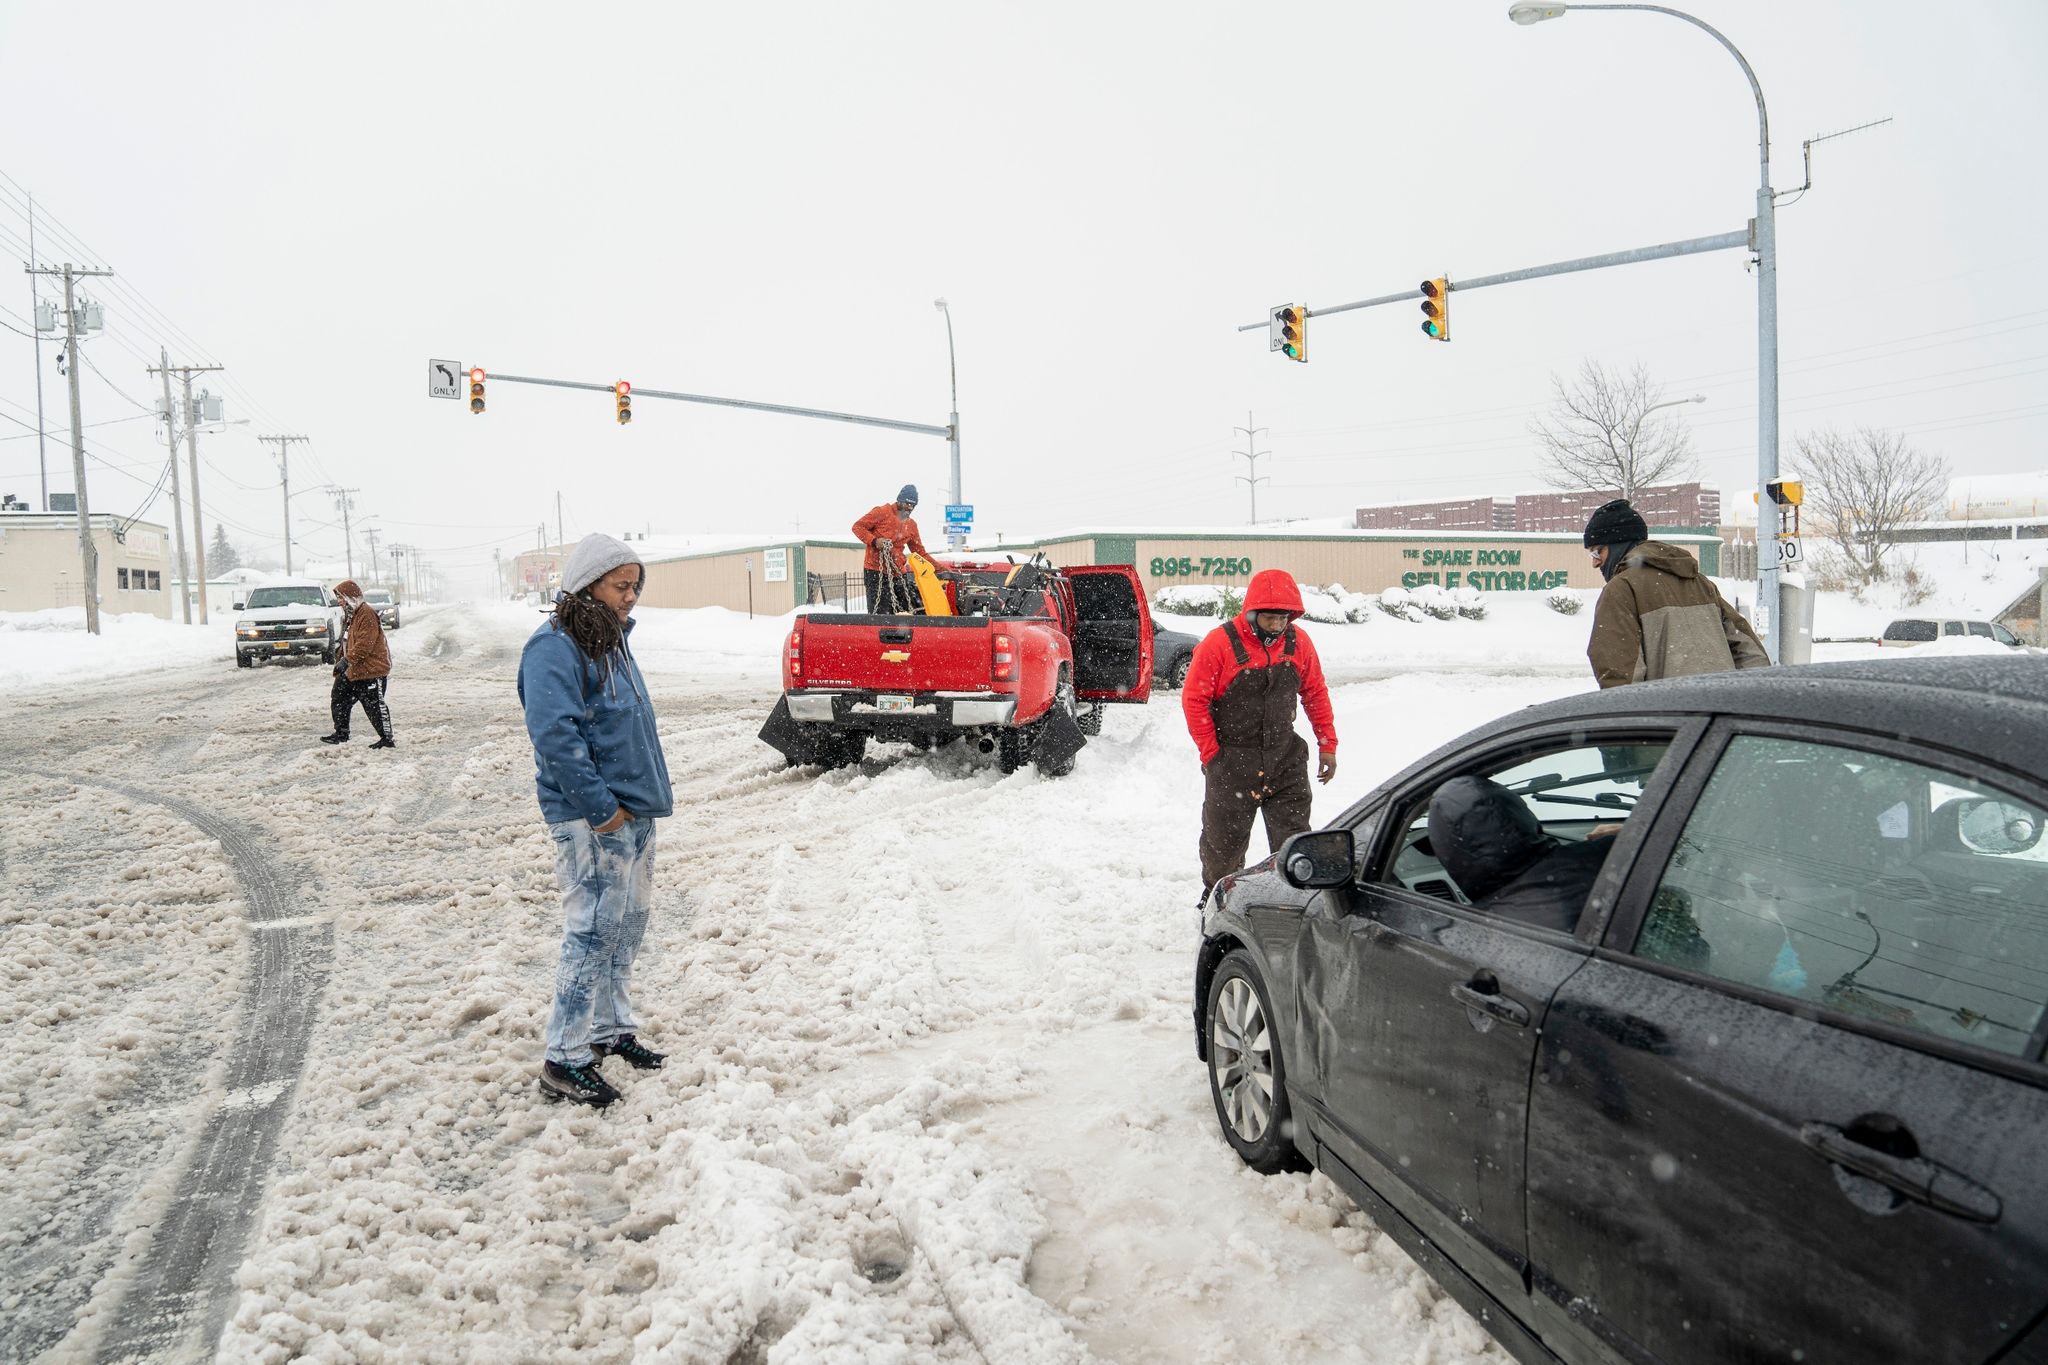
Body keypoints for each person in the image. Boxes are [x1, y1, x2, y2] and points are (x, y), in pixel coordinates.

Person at [518, 533, 674, 1108]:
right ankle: (564, 1057)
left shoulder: (610, 640)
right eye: (620, 586)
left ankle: (608, 1030)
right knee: (589, 933)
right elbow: (556, 737)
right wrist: (603, 811)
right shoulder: (553, 648)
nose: (631, 596)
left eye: (636, 585)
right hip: (593, 819)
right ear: (588, 586)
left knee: (625, 927)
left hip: (634, 810)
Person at [1183, 569, 1338, 893]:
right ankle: (1215, 900)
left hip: (1285, 757)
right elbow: (1194, 700)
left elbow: (1315, 692)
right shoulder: (1219, 644)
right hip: (1233, 761)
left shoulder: (1299, 643)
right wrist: (1213, 755)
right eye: (1269, 618)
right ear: (1251, 613)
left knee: (1294, 842)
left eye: (1283, 618)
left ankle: (1292, 898)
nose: (1277, 626)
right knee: (1223, 845)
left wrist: (1327, 744)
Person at [1583, 498, 1770, 688]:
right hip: (1720, 712)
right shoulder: (1700, 583)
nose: (1594, 563)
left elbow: (1620, 679)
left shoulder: (1621, 589)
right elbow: (1750, 653)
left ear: (1618, 545)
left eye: (1597, 552)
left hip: (1670, 714)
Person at [1426, 775, 1615, 934]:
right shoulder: (1612, 852)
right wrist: (1627, 832)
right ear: (1520, 813)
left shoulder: (1472, 933)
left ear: (1447, 852)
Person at [320, 579, 394, 749]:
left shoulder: (366, 614)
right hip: (352, 671)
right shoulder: (351, 615)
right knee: (339, 699)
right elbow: (346, 641)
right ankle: (341, 734)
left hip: (370, 671)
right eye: (338, 598)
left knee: (374, 706)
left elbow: (365, 644)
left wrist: (346, 661)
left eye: (341, 598)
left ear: (350, 597)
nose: (339, 602)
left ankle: (386, 739)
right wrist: (340, 658)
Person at [853, 484, 931, 615]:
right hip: (875, 571)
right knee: (881, 613)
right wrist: (874, 541)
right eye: (907, 504)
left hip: (899, 573)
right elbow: (858, 527)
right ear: (899, 500)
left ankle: (904, 634)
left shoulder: (911, 525)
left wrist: (943, 570)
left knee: (908, 611)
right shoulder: (882, 512)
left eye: (913, 505)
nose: (909, 508)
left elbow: (920, 553)